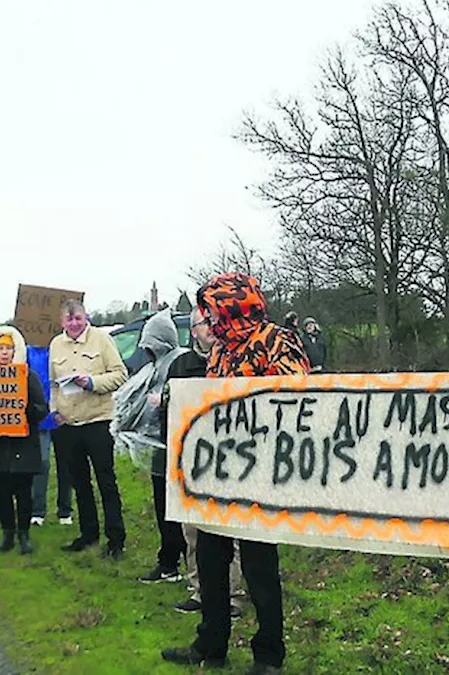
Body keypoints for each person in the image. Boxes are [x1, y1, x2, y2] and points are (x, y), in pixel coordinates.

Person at [163, 272, 309, 674]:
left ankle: (268, 655)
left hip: (259, 474)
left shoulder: (276, 341)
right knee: (211, 563)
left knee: (260, 567)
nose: (208, 323)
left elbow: (295, 395)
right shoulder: (221, 351)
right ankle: (211, 644)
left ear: (233, 307)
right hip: (217, 474)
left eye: (212, 312)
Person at [169, 306, 246, 619]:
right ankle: (200, 590)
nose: (212, 328)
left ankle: (235, 594)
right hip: (192, 458)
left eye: (215, 321)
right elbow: (169, 408)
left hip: (232, 457)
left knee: (234, 529)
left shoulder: (233, 359)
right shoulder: (181, 365)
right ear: (193, 330)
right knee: (194, 530)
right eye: (205, 323)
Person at [111, 310, 197, 585]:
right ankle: (170, 561)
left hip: (177, 445)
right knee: (164, 506)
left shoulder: (178, 362)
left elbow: (181, 399)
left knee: (175, 509)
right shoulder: (156, 364)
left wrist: (162, 402)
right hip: (162, 446)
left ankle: (177, 562)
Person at [49, 300, 130, 559]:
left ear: (86, 318)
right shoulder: (55, 345)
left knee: (106, 481)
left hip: (98, 420)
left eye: (78, 319)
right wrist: (55, 410)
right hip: (69, 424)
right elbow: (53, 384)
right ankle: (88, 534)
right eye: (69, 320)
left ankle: (116, 539)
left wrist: (92, 382)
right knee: (79, 483)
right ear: (62, 321)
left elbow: (120, 374)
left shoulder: (102, 340)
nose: (74, 324)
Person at [0, 326, 50, 555]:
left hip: (23, 446)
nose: (5, 352)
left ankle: (24, 536)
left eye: (9, 348)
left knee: (23, 492)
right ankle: (7, 535)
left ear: (16, 350)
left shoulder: (28, 376)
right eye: (1, 348)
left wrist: (25, 409)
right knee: (2, 492)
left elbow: (42, 409)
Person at [28, 345, 74, 527]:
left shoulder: (64, 345)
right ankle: (38, 511)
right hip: (40, 416)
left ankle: (65, 510)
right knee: (41, 463)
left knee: (66, 464)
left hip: (62, 412)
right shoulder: (28, 351)